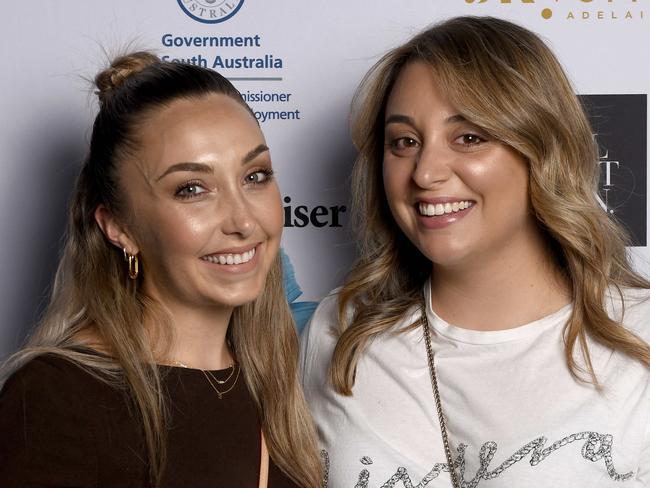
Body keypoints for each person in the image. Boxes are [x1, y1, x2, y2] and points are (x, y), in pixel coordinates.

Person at [300, 16, 650, 488]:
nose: (425, 172)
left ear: (542, 148)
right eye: (404, 142)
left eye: (469, 137)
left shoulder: (638, 335)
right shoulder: (335, 331)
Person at [0, 52, 321, 488]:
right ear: (119, 226)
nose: (244, 222)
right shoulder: (54, 398)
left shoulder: (274, 381)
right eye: (192, 189)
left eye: (255, 176)